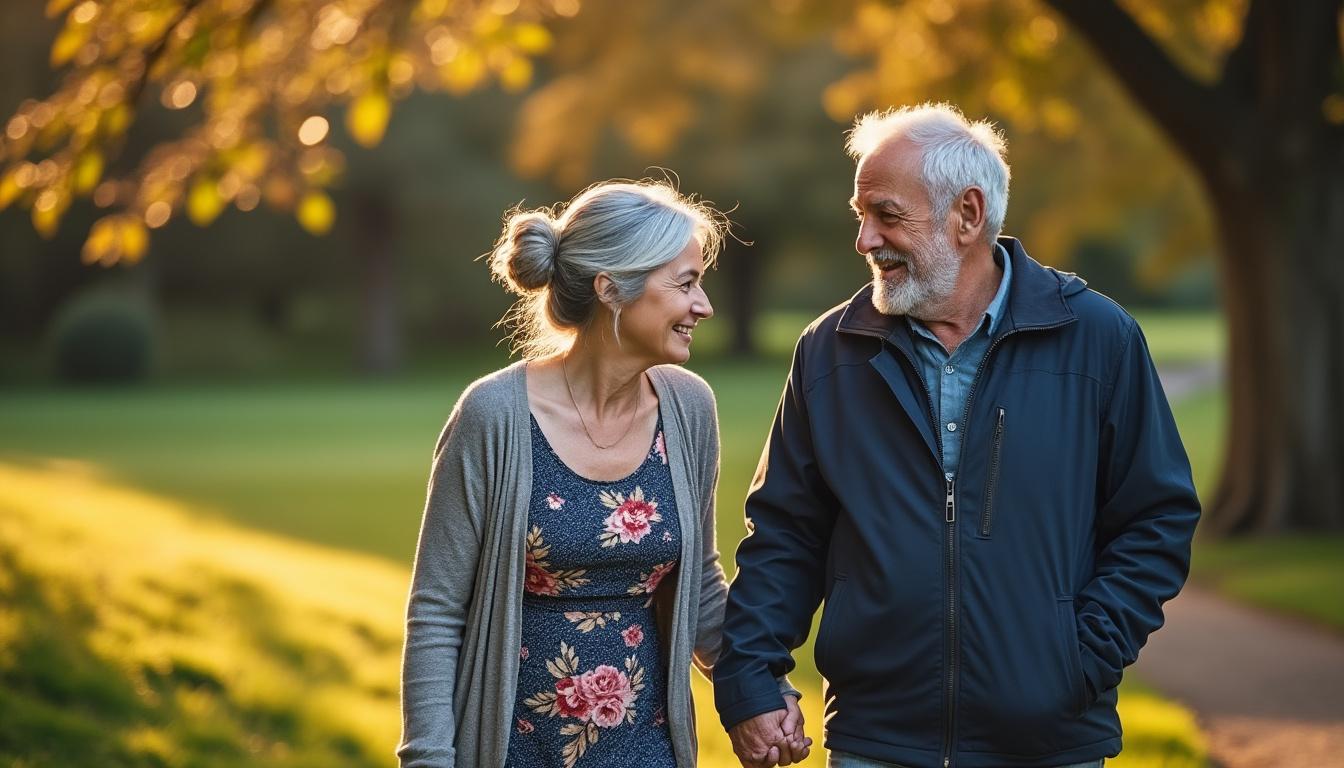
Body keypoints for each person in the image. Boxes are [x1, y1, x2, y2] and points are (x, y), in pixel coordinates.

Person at [713, 103, 1201, 768]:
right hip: (874, 739)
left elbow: (1157, 517)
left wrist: (1077, 661)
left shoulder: (1097, 337)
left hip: (1048, 741)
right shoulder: (830, 351)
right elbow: (786, 533)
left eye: (886, 215)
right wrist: (749, 681)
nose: (863, 240)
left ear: (967, 215)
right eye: (860, 215)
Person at [398, 179, 809, 768]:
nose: (705, 305)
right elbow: (438, 610)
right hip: (513, 749)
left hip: (649, 748)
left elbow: (700, 584)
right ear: (613, 289)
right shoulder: (494, 415)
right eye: (686, 283)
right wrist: (426, 759)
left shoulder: (688, 408)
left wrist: (764, 694)